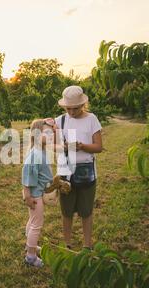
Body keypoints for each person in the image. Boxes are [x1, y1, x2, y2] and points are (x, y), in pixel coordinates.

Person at [55, 86, 103, 250]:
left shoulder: (92, 119)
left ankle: (87, 245)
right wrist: (64, 147)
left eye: (75, 108)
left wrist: (82, 146)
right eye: (68, 108)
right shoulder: (59, 121)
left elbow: (98, 147)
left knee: (86, 211)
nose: (72, 112)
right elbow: (52, 145)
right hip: (65, 172)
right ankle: (67, 244)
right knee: (66, 212)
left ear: (82, 105)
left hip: (86, 172)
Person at [21, 118, 55, 267]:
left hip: (38, 193)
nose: (50, 135)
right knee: (37, 224)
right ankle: (31, 256)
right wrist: (27, 196)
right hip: (35, 196)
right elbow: (27, 176)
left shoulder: (40, 150)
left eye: (51, 132)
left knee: (32, 221)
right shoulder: (35, 154)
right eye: (46, 132)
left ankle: (30, 245)